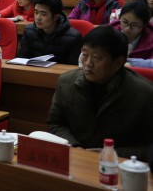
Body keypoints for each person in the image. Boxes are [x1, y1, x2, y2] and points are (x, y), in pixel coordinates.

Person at [48, 26, 153, 160]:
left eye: (96, 58)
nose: (88, 63)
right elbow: (56, 124)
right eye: (85, 55)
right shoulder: (66, 82)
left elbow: (149, 146)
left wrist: (110, 153)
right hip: (75, 159)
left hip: (118, 165)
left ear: (118, 62)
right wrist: (75, 148)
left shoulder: (144, 93)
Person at [17, 0, 82, 64]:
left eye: (43, 14)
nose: (38, 18)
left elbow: (72, 68)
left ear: (55, 17)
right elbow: (21, 60)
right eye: (36, 12)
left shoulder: (73, 37)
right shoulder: (29, 31)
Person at [112, 0, 153, 66]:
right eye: (125, 22)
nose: (127, 28)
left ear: (144, 25)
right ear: (119, 17)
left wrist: (131, 63)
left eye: (135, 25)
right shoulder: (110, 31)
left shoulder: (151, 38)